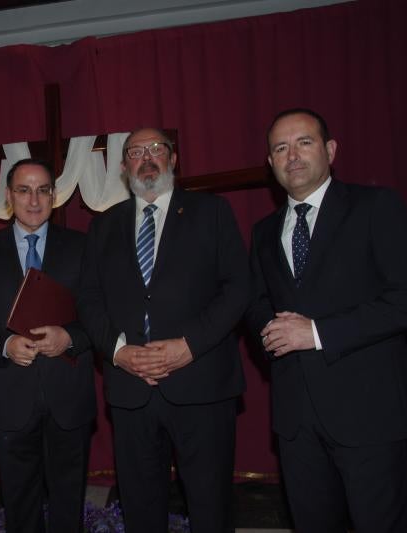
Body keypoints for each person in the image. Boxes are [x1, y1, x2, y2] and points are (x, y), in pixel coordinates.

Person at [246, 108, 407, 532]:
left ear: (330, 150)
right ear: (271, 163)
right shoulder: (262, 232)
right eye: (280, 147)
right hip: (296, 420)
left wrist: (315, 332)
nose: (292, 155)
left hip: (369, 411)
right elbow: (256, 303)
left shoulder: (376, 207)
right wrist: (270, 332)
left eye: (304, 142)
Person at [78, 129, 249, 532]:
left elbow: (238, 288)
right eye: (136, 152)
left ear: (173, 159)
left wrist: (189, 346)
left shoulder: (213, 212)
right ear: (124, 168)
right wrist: (118, 352)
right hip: (130, 388)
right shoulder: (103, 227)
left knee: (210, 505)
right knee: (140, 505)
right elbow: (88, 299)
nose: (147, 157)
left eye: (157, 149)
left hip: (202, 383)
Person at [0, 158, 96, 533]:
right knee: (20, 503)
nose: (34, 199)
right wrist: (6, 344)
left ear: (54, 196)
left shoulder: (83, 246)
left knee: (68, 500)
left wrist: (70, 336)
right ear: (8, 197)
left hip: (69, 395)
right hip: (12, 396)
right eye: (24, 190)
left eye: (42, 190)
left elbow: (100, 313)